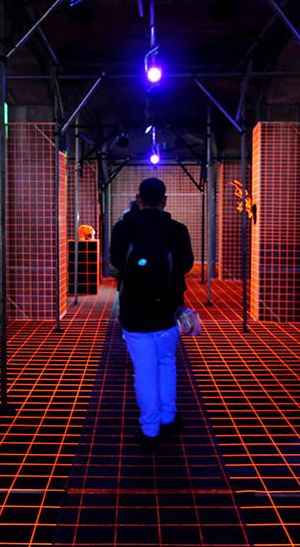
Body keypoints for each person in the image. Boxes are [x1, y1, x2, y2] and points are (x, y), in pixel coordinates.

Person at [110, 178, 194, 448]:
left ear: (139, 200)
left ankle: (150, 429)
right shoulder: (178, 230)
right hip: (168, 309)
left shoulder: (123, 228)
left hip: (134, 310)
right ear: (164, 201)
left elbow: (114, 261)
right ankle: (168, 416)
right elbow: (186, 265)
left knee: (144, 371)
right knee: (167, 362)